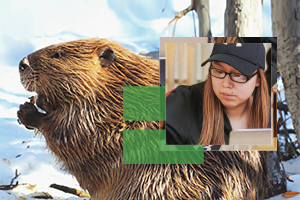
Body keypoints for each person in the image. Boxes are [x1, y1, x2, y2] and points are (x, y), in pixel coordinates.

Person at [166, 42, 270, 147]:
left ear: (259, 80)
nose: (225, 84)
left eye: (238, 75)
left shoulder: (270, 111)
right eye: (218, 71)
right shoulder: (185, 102)